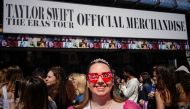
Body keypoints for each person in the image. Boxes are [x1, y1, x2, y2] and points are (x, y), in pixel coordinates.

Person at [69, 58, 141, 109]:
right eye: (94, 76)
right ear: (87, 82)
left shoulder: (131, 107)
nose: (100, 81)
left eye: (105, 75)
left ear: (112, 81)